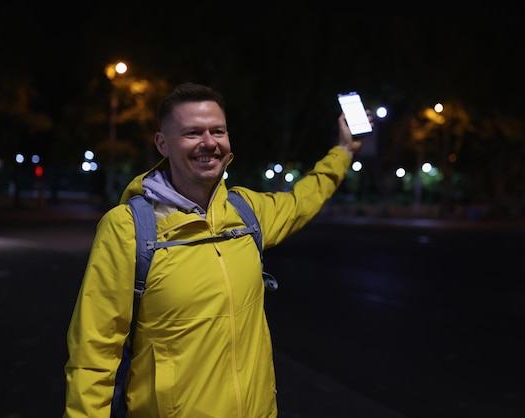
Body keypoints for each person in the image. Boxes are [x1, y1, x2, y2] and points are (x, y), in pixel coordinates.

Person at [63, 82, 372, 417]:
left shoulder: (246, 212)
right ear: (163, 144)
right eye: (193, 133)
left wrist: (344, 150)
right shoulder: (128, 228)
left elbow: (303, 200)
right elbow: (93, 355)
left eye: (217, 131)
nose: (208, 142)